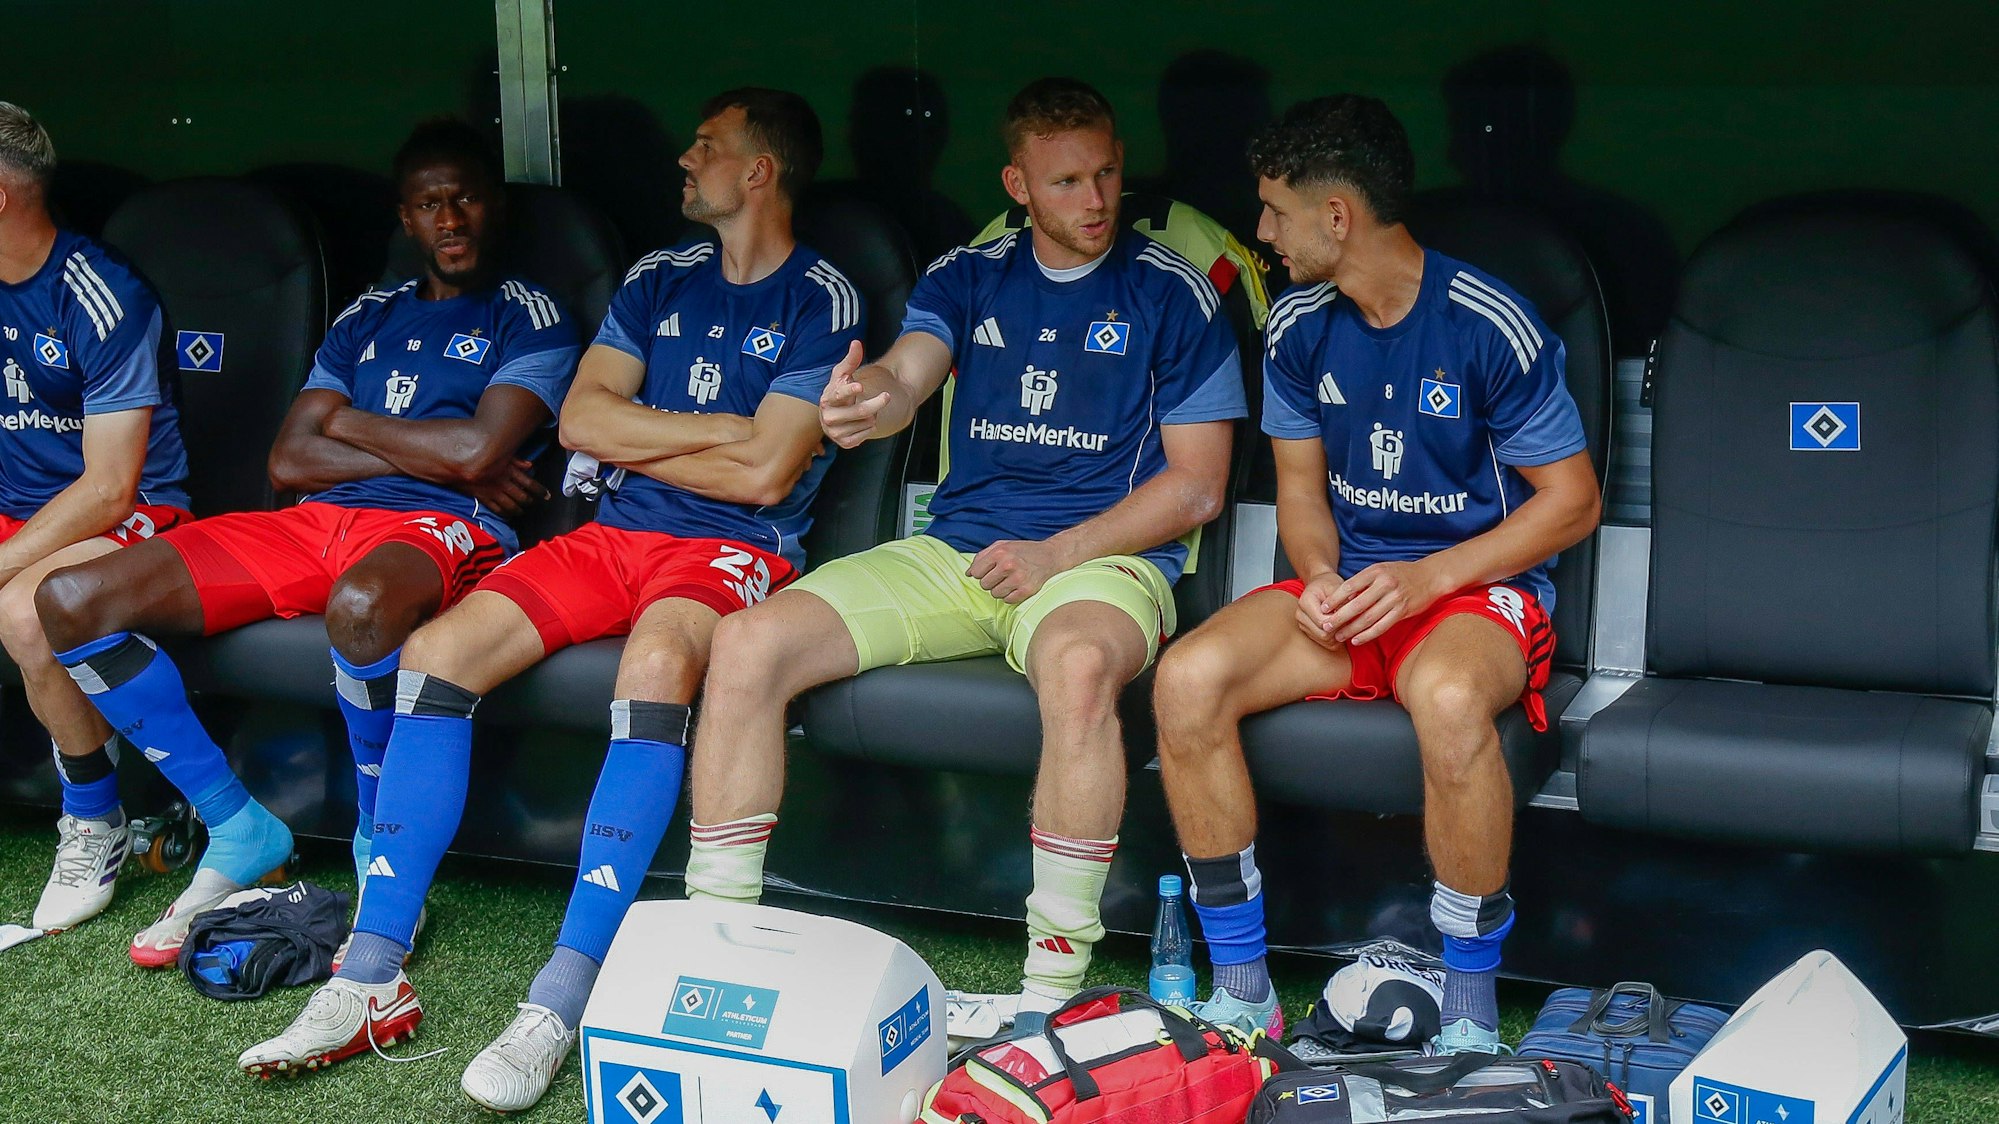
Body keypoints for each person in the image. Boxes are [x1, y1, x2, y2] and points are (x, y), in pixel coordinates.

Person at [235, 90, 863, 1113]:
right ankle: (368, 974)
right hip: (609, 535)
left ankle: (560, 996)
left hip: (731, 546)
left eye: (708, 146)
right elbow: (582, 418)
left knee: (656, 664)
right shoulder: (659, 276)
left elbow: (766, 478)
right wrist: (720, 429)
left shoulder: (821, 295)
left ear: (759, 172)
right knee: (437, 652)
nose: (686, 158)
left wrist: (653, 426)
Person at [683, 77, 1243, 1032]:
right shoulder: (967, 272)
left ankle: (1048, 995)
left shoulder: (1171, 291)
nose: (1096, 200)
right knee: (746, 644)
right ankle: (712, 955)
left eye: (1106, 174)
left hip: (1104, 561)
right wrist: (869, 406)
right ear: (1017, 186)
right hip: (957, 551)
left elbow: (1196, 488)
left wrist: (1058, 552)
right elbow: (909, 375)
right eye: (1066, 182)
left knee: (1075, 669)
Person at [35, 119, 580, 969]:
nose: (451, 218)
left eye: (466, 197)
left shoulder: (531, 316)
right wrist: (437, 447)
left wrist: (361, 429)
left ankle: (374, 837)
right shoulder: (368, 315)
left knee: (361, 608)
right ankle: (235, 822)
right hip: (314, 520)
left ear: (493, 204)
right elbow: (291, 459)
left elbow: (480, 454)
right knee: (70, 601)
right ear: (405, 218)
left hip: (437, 527)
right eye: (430, 203)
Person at [1150, 94, 1600, 1050]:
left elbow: (1571, 503)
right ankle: (1241, 993)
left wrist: (1430, 579)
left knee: (1444, 698)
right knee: (1187, 679)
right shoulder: (1299, 326)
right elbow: (1301, 492)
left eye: (1273, 210)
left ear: (1337, 215)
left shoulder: (1488, 322)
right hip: (1354, 594)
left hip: (1473, 593)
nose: (1262, 231)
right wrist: (1315, 574)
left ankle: (1471, 1015)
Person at [0, 101, 195, 936]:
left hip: (133, 514)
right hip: (20, 511)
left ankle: (94, 820)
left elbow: (111, 487)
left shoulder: (100, 292)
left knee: (23, 611)